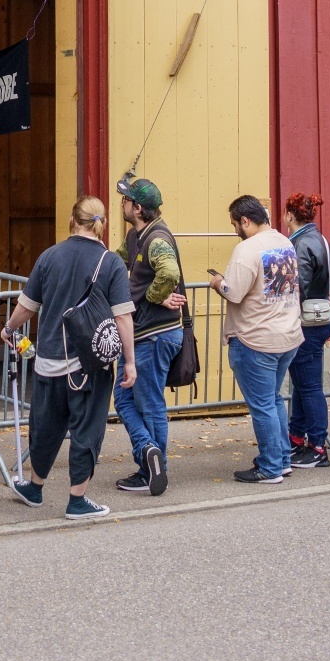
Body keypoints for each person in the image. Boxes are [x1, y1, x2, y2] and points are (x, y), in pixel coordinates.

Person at [3, 198, 135, 519]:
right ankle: (77, 500)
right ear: (101, 224)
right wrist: (129, 361)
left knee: (46, 426)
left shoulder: (49, 256)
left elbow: (27, 305)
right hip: (89, 363)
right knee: (86, 428)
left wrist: (9, 328)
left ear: (72, 220)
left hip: (48, 359)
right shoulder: (110, 262)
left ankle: (34, 487)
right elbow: (122, 318)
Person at [213, 195, 301, 484]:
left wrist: (217, 282)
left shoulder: (246, 249)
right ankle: (282, 458)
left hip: (255, 338)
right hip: (286, 334)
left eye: (235, 224)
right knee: (273, 400)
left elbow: (233, 292)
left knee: (262, 405)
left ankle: (271, 466)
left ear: (246, 221)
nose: (234, 229)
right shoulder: (284, 242)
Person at [114, 177, 187, 494]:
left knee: (148, 402)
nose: (123, 205)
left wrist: (155, 296)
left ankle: (154, 470)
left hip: (155, 335)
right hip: (144, 334)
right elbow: (115, 261)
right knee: (125, 398)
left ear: (138, 208)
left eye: (126, 200)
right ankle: (148, 453)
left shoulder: (156, 239)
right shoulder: (135, 237)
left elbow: (170, 273)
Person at [284, 193, 330, 466]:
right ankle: (298, 438)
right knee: (304, 384)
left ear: (289, 216)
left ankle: (317, 446)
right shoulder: (323, 241)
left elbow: (298, 288)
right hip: (323, 316)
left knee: (308, 386)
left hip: (306, 323)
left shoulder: (299, 245)